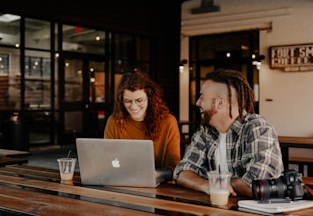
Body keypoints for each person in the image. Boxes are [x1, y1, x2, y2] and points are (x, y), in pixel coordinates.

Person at [173, 69, 284, 197]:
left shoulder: (258, 129)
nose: (198, 102)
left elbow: (257, 184)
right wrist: (207, 185)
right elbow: (181, 172)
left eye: (202, 97)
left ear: (220, 103)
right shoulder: (206, 130)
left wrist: (214, 184)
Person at [104, 70, 181, 183]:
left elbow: (174, 165)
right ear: (121, 101)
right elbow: (106, 159)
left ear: (149, 97)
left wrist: (155, 175)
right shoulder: (114, 121)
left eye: (139, 100)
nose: (134, 107)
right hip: (122, 182)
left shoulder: (168, 122)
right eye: (127, 101)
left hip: (161, 187)